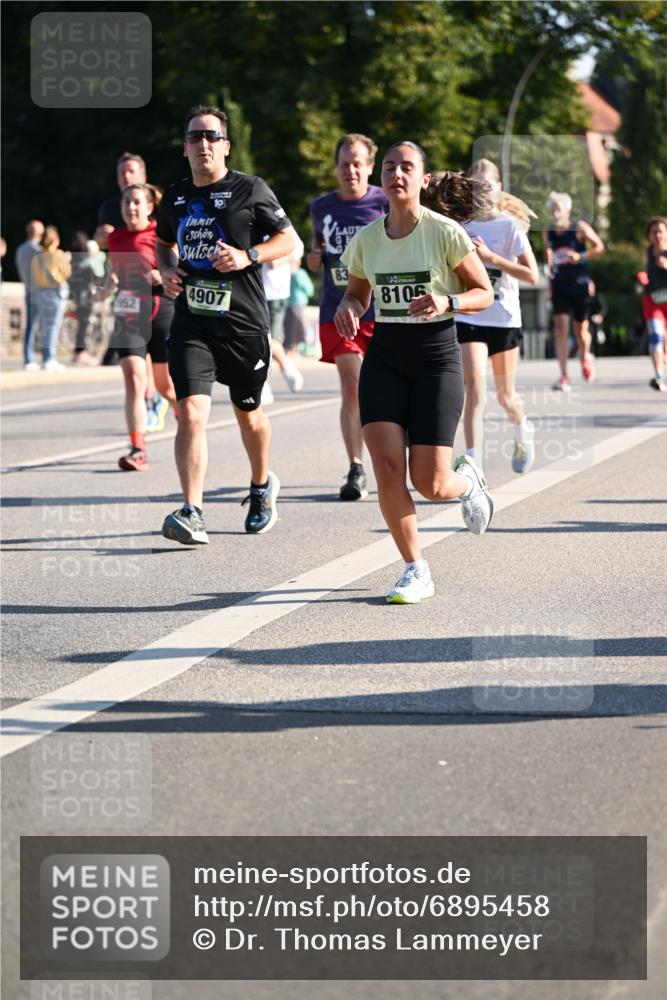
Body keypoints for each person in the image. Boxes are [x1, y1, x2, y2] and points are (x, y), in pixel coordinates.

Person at [335, 140, 494, 605]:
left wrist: (449, 300)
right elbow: (357, 293)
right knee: (387, 470)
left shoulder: (444, 233)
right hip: (385, 356)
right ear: (380, 178)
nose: (396, 174)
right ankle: (414, 568)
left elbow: (484, 292)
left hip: (435, 359)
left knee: (432, 484)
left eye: (407, 167)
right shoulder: (367, 239)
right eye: (389, 167)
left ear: (423, 179)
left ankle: (469, 483)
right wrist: (349, 308)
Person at [156, 104, 294, 545]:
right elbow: (162, 243)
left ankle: (261, 486)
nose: (203, 144)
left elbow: (288, 240)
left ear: (226, 145)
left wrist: (248, 255)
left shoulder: (250, 189)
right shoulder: (175, 197)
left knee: (248, 414)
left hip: (242, 324)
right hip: (192, 322)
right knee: (191, 412)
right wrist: (167, 271)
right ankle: (192, 510)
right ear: (185, 148)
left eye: (211, 136)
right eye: (195, 137)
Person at [423, 160, 540, 474]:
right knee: (474, 387)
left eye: (488, 186)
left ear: (499, 188)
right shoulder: (461, 225)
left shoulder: (509, 226)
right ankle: (474, 462)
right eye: (476, 186)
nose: (483, 193)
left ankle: (522, 428)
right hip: (470, 316)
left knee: (505, 396)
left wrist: (491, 258)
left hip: (504, 318)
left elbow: (532, 275)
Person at [308, 134, 388, 500]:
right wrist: (313, 259)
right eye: (344, 164)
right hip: (338, 309)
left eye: (357, 164)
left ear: (369, 167)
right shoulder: (321, 207)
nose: (350, 170)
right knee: (351, 386)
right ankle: (356, 467)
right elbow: (318, 249)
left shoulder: (384, 202)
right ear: (336, 168)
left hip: (383, 310)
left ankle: (391, 456)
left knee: (385, 389)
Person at [108, 184, 177, 470]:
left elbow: (179, 268)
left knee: (166, 386)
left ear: (150, 207)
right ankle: (138, 449)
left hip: (161, 311)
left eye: (137, 202)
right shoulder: (115, 238)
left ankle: (185, 418)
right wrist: (107, 284)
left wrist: (162, 274)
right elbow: (115, 275)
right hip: (129, 314)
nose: (131, 207)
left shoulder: (162, 234)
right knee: (135, 378)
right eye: (126, 202)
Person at [545, 192, 605, 391]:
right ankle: (563, 375)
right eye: (551, 208)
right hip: (559, 285)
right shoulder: (548, 231)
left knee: (581, 331)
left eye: (557, 208)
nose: (554, 212)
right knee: (560, 328)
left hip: (580, 285)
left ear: (567, 210)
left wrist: (581, 256)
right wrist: (549, 284)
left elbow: (599, 247)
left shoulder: (579, 227)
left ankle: (585, 356)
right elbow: (549, 259)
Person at [260, 231, 306, 401]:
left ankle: (274, 375)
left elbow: (297, 256)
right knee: (257, 341)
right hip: (251, 294)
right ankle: (282, 368)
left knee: (268, 341)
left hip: (275, 294)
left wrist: (278, 258)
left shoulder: (281, 224)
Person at [30, 226, 71, 372]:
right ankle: (49, 359)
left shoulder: (37, 256)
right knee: (53, 326)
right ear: (55, 239)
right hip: (55, 292)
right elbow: (66, 273)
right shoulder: (58, 254)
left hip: (41, 292)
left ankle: (45, 358)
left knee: (44, 326)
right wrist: (67, 260)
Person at [68, 232, 104, 365]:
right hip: (85, 297)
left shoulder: (74, 260)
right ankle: (81, 352)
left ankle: (79, 352)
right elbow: (96, 278)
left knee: (81, 325)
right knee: (84, 325)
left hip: (78, 296)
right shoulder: (88, 263)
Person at [14, 219, 45, 371]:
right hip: (40, 292)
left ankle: (29, 358)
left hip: (28, 291)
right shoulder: (38, 250)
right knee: (42, 326)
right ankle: (40, 358)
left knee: (30, 326)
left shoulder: (20, 249)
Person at [642, 216, 667, 391]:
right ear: (649, 235)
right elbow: (645, 273)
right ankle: (658, 376)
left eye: (660, 231)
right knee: (656, 337)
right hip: (653, 302)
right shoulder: (648, 252)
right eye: (654, 232)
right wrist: (641, 280)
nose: (657, 235)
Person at [284, 254, 315, 355]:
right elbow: (309, 289)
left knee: (289, 328)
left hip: (287, 304)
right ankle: (303, 349)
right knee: (301, 327)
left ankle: (290, 348)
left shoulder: (285, 273)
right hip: (298, 304)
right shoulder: (300, 273)